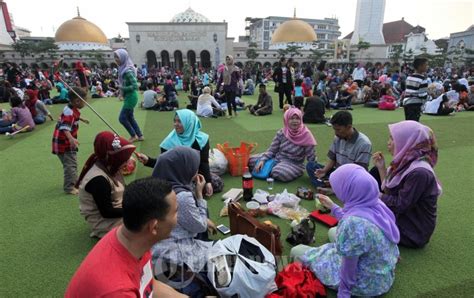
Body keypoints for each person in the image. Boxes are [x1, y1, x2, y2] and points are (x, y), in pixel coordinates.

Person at [291, 164, 400, 298]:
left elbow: (349, 266)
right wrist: (333, 207)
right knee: (333, 232)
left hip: (365, 284)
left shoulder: (352, 224)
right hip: (383, 277)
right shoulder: (376, 204)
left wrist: (344, 292)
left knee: (297, 251)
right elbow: (360, 228)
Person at [65, 177, 185, 297]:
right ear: (154, 227)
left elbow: (149, 285)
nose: (178, 217)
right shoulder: (118, 291)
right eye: (176, 211)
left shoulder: (131, 239)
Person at [151, 147, 217, 296]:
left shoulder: (155, 185)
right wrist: (199, 195)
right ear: (182, 168)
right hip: (176, 252)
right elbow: (199, 226)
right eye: (194, 167)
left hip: (156, 249)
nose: (196, 171)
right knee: (220, 250)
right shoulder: (181, 196)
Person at [371, 121, 441, 248]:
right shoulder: (404, 162)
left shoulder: (419, 172)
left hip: (413, 232)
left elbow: (400, 204)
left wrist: (375, 195)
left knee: (363, 223)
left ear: (408, 142)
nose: (389, 143)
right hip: (402, 219)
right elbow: (389, 192)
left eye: (393, 138)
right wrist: (381, 169)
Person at [137, 109, 214, 196]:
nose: (175, 124)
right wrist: (148, 160)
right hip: (175, 179)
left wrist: (208, 182)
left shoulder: (202, 139)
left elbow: (203, 162)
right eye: (175, 121)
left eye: (179, 121)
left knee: (216, 182)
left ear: (190, 123)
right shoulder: (169, 142)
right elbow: (164, 165)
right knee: (184, 193)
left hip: (194, 175)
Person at [76, 132, 136, 238]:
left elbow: (123, 189)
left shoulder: (109, 164)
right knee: (146, 221)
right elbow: (107, 212)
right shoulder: (98, 179)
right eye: (124, 159)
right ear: (114, 158)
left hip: (117, 207)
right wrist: (135, 209)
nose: (127, 162)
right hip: (105, 222)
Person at [306, 111, 372, 190]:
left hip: (352, 177)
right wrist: (324, 170)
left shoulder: (364, 144)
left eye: (338, 130)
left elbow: (358, 172)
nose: (336, 133)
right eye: (334, 129)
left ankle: (332, 187)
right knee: (310, 166)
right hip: (337, 173)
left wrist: (337, 179)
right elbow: (332, 158)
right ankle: (332, 186)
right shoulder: (338, 137)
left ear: (348, 127)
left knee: (358, 183)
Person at [249, 107, 316, 182]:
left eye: (297, 118)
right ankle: (270, 167)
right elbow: (272, 150)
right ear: (287, 120)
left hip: (294, 163)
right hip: (277, 158)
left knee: (279, 173)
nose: (295, 121)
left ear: (301, 120)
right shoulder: (282, 132)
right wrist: (263, 160)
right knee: (250, 160)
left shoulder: (306, 134)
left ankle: (271, 169)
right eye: (292, 118)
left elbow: (311, 157)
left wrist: (314, 171)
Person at [52, 87, 89, 195]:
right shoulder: (69, 113)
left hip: (60, 141)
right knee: (71, 165)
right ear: (77, 101)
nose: (85, 103)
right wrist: (71, 139)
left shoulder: (69, 107)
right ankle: (70, 187)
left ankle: (73, 181)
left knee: (69, 164)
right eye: (84, 101)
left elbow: (71, 117)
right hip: (64, 143)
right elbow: (65, 127)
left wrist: (82, 119)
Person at [115, 49, 144, 142]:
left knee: (122, 118)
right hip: (129, 96)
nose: (116, 59)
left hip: (131, 97)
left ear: (123, 58)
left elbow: (135, 86)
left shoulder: (127, 71)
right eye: (115, 57)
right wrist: (122, 92)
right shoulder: (122, 69)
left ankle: (133, 135)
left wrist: (123, 88)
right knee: (130, 117)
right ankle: (139, 135)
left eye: (117, 57)